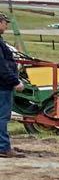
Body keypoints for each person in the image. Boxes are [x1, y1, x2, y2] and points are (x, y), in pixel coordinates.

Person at [0, 16, 22, 155]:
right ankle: (3, 147)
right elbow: (2, 66)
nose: (6, 26)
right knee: (2, 117)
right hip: (2, 87)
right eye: (4, 23)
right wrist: (15, 81)